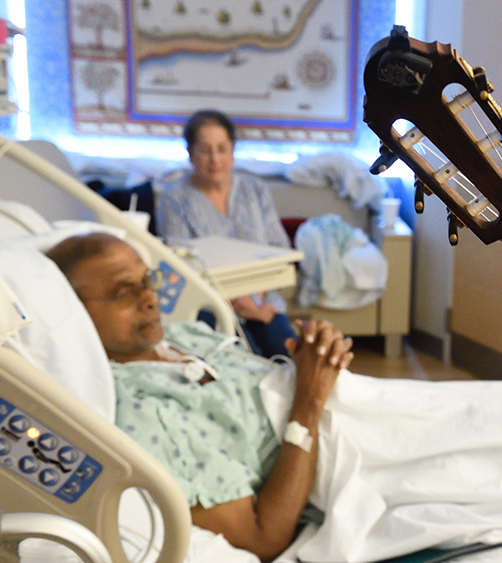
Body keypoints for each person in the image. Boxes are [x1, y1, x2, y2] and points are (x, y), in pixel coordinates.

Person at [46, 233, 354, 562]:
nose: (150, 297)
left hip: (347, 402)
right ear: (74, 314)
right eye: (124, 292)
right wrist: (308, 401)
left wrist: (317, 354)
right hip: (341, 449)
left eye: (147, 280)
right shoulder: (142, 412)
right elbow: (262, 537)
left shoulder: (182, 335)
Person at [157, 109, 295, 359]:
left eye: (221, 148)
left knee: (286, 354)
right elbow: (181, 265)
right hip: (208, 305)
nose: (214, 159)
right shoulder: (174, 198)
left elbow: (279, 249)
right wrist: (238, 302)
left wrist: (256, 297)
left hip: (263, 302)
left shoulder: (256, 190)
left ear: (232, 150)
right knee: (239, 360)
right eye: (204, 150)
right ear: (190, 154)